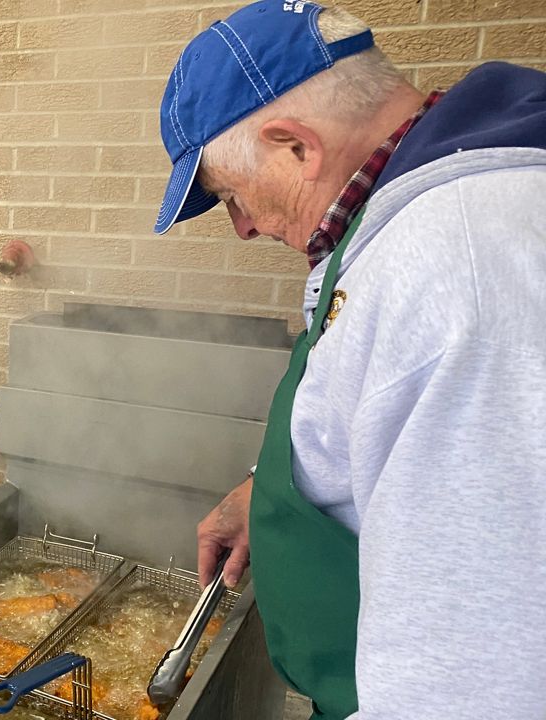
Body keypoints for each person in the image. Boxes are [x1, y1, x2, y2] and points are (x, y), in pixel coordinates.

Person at [152, 2, 546, 718]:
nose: (242, 227)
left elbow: (479, 681)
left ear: (295, 147)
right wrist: (267, 494)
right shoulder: (400, 221)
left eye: (231, 195)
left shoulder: (458, 271)